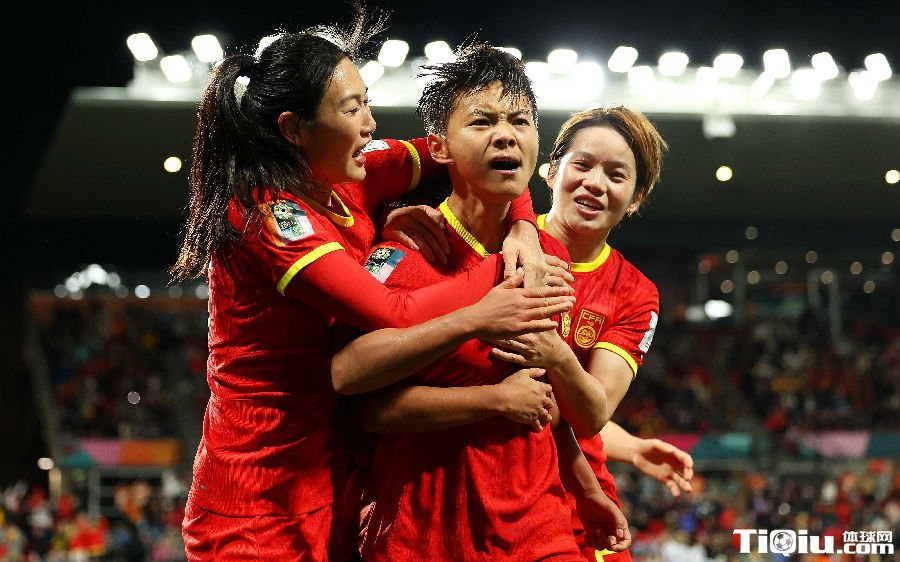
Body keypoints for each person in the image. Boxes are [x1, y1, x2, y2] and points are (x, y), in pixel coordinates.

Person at [168, 8, 576, 561]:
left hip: (336, 478)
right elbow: (391, 311)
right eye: (351, 108)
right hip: (259, 492)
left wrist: (523, 227)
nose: (370, 124)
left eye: (367, 102)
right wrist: (497, 282)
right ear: (295, 130)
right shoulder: (270, 218)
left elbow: (483, 151)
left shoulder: (351, 173)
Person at [331, 43, 631, 561]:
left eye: (520, 121)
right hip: (425, 532)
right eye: (482, 121)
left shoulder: (547, 256)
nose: (506, 135)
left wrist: (583, 488)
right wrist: (492, 399)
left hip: (539, 528)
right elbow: (367, 405)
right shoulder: (404, 254)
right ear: (440, 148)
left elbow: (542, 396)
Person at [490, 104, 694, 561]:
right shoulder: (494, 238)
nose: (595, 183)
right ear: (551, 170)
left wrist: (630, 447)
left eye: (616, 175)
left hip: (576, 508)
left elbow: (589, 414)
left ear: (635, 198)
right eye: (582, 164)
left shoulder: (634, 292)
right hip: (485, 476)